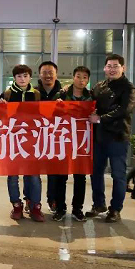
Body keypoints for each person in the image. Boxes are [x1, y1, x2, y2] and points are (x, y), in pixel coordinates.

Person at [86, 54, 135, 222]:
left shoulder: (129, 88)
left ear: (123, 68)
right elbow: (88, 101)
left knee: (118, 174)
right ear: (104, 68)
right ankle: (98, 204)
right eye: (109, 66)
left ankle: (115, 209)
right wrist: (68, 91)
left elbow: (124, 110)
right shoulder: (99, 86)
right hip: (99, 137)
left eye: (116, 66)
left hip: (118, 137)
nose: (112, 69)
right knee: (95, 172)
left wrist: (100, 118)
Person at [0, 64, 44, 222]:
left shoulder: (36, 94)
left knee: (34, 175)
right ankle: (16, 205)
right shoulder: (7, 94)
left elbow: (44, 114)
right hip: (12, 141)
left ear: (30, 77)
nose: (22, 79)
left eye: (25, 76)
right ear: (14, 78)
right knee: (13, 176)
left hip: (32, 141)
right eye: (19, 76)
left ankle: (35, 206)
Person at [52, 66, 93, 220]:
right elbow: (51, 116)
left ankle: (77, 209)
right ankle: (60, 209)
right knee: (61, 177)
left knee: (80, 177)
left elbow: (96, 120)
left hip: (82, 142)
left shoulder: (91, 97)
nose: (81, 80)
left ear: (88, 80)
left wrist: (95, 117)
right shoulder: (62, 95)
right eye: (78, 76)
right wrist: (56, 106)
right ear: (73, 77)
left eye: (84, 77)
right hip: (64, 141)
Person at [37, 61, 64, 212]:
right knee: (32, 171)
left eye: (50, 72)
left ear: (56, 74)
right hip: (36, 138)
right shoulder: (33, 93)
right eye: (44, 72)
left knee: (54, 172)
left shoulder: (64, 93)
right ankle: (32, 201)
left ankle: (52, 199)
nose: (48, 75)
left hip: (56, 138)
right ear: (39, 75)